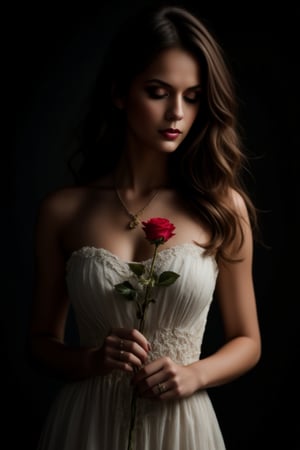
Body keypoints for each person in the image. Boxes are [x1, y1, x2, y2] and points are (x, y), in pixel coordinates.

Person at [29, 3, 262, 450]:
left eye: (192, 96)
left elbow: (248, 340)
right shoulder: (63, 211)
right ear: (120, 92)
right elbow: (40, 342)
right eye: (158, 91)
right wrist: (91, 360)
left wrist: (195, 374)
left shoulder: (223, 207)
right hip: (86, 427)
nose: (177, 112)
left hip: (181, 425)